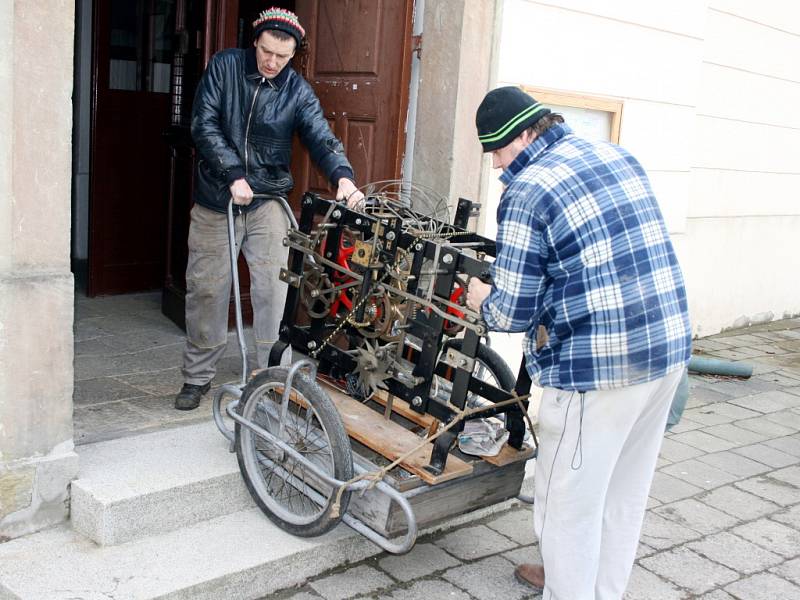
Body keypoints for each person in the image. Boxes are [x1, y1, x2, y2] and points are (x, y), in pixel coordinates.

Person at [466, 86, 692, 599]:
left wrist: (481, 295)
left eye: (498, 152)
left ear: (523, 135)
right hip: (668, 350)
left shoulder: (527, 191)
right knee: (622, 493)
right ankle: (599, 588)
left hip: (599, 370)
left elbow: (511, 311)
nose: (498, 166)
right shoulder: (614, 153)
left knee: (569, 503)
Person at [174, 7, 364, 410]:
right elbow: (203, 123)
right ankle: (197, 376)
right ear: (255, 41)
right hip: (217, 198)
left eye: (282, 56)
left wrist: (343, 177)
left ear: (294, 53)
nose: (272, 62)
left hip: (267, 201)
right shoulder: (224, 67)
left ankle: (271, 375)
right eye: (265, 52)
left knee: (275, 288)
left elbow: (320, 135)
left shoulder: (296, 90)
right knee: (207, 289)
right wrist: (232, 173)